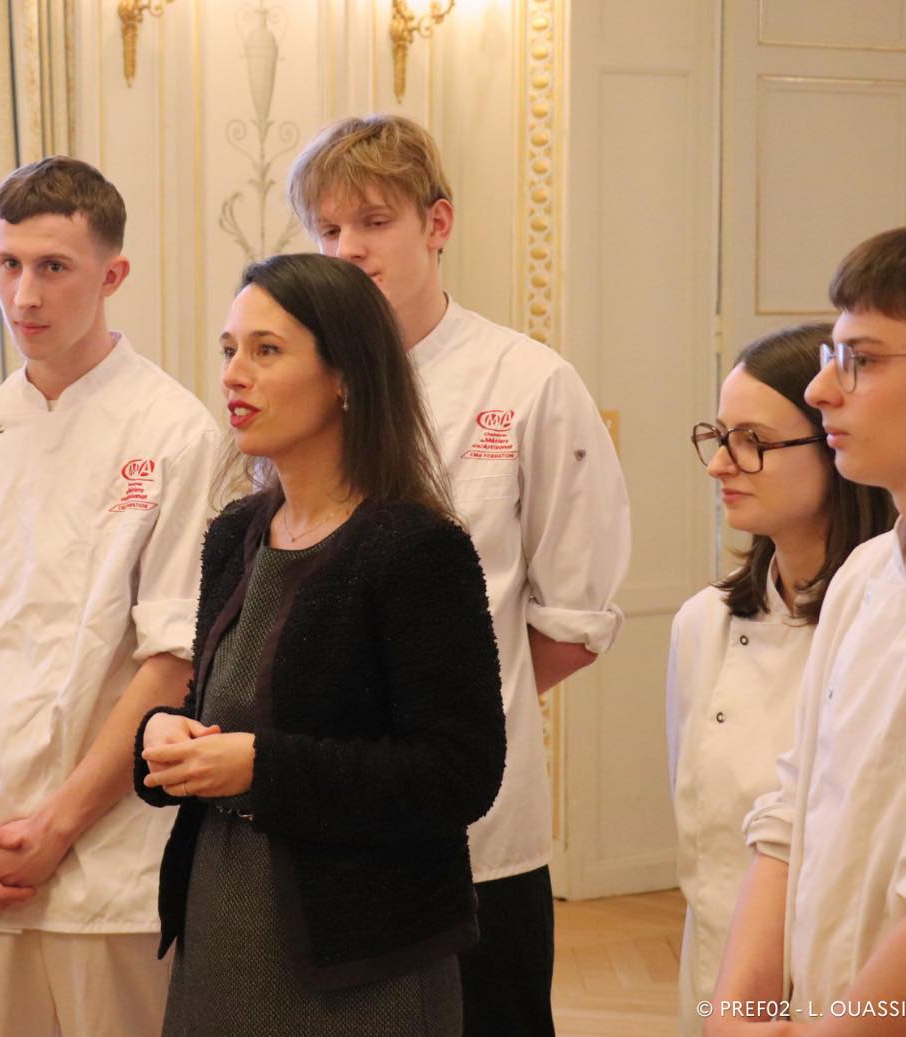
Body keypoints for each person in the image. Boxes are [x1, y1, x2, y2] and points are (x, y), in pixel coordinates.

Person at [287, 113, 631, 1035]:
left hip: (479, 828)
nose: (348, 249)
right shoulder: (296, 381)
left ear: (436, 224)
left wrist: (449, 712)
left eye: (373, 222)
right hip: (319, 812)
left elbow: (571, 619)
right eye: (328, 229)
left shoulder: (527, 382)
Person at [133, 252, 507, 1036]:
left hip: (363, 962)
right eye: (229, 349)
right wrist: (163, 736)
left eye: (267, 351)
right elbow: (216, 708)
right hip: (217, 939)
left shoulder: (415, 548)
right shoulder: (236, 533)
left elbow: (457, 774)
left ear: (346, 376)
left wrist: (262, 768)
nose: (235, 374)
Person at [0, 156, 220, 1037]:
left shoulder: (178, 432)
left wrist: (60, 824)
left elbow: (173, 660)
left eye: (53, 267)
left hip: (107, 856)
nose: (24, 295)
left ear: (111, 275)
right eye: (7, 264)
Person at [708, 220, 906, 1035]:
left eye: (865, 359)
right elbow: (792, 811)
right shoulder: (865, 576)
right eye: (830, 356)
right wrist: (736, 1012)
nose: (821, 392)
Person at [667, 324, 894, 1036]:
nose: (721, 465)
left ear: (836, 445)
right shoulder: (703, 624)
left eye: (754, 441)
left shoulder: (893, 623)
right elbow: (702, 850)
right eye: (719, 434)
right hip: (715, 982)